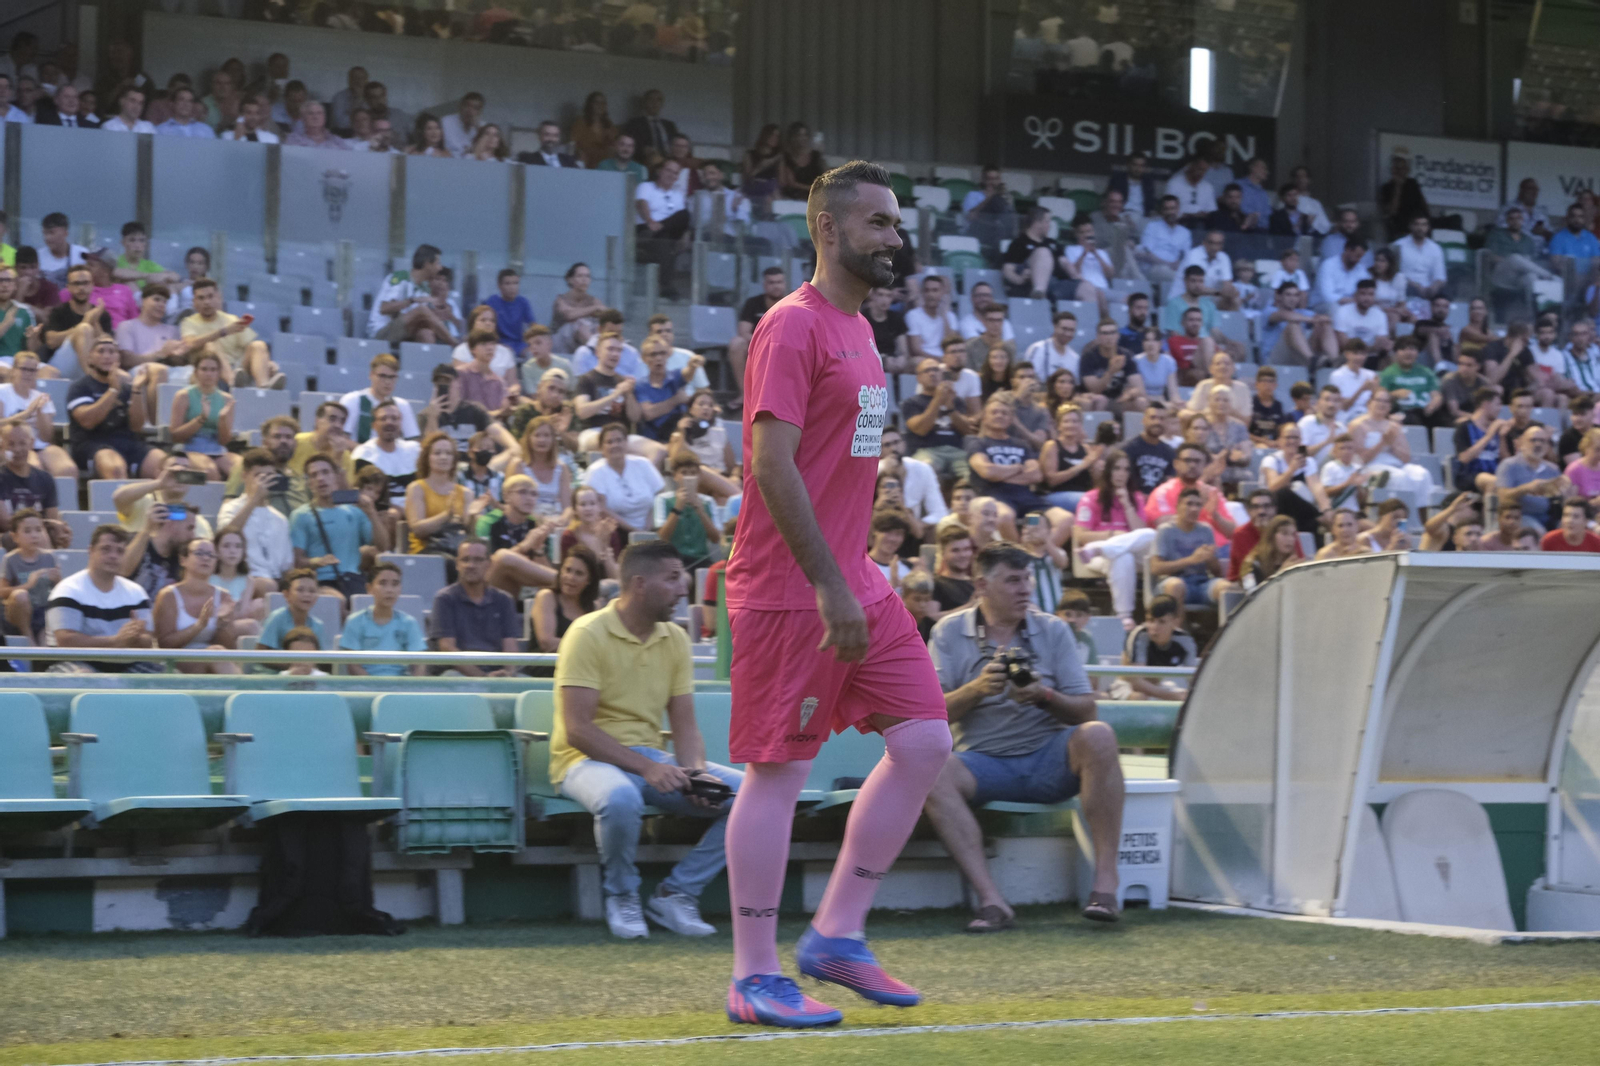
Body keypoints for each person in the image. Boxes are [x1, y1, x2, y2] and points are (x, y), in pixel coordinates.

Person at [721, 163, 952, 1028]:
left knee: (925, 742)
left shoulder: (860, 331)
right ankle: (753, 976)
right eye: (882, 225)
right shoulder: (792, 327)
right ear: (828, 229)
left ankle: (836, 938)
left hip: (853, 578)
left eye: (898, 225)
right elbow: (770, 466)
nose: (898, 239)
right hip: (793, 589)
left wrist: (850, 576)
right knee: (777, 774)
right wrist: (827, 583)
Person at [923, 542, 1119, 931]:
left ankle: (1106, 886)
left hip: (1047, 757)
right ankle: (992, 901)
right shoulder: (947, 632)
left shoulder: (1053, 628)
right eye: (1013, 580)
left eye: (1027, 578)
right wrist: (978, 688)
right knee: (931, 768)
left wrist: (1044, 695)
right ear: (981, 585)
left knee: (1098, 735)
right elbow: (931, 714)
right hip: (982, 761)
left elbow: (1086, 709)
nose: (1025, 589)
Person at [552, 538, 741, 939]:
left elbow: (685, 726)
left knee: (752, 796)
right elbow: (579, 730)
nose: (682, 589)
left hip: (650, 759)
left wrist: (695, 773)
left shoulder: (674, 639)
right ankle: (622, 895)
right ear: (639, 583)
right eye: (672, 579)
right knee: (620, 798)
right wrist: (649, 768)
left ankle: (676, 894)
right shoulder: (586, 633)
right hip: (582, 762)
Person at [44, 525, 156, 673]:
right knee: (86, 679)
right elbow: (65, 641)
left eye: (120, 551)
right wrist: (116, 641)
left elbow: (147, 640)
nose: (113, 556)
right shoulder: (68, 590)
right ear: (90, 551)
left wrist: (134, 637)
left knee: (171, 680)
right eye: (106, 549)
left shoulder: (136, 593)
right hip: (75, 662)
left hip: (125, 664)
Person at [1073, 449, 1155, 628]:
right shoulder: (1090, 498)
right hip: (1096, 554)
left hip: (1125, 550)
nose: (1121, 474)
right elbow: (1080, 536)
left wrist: (1127, 505)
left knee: (1151, 534)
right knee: (1122, 556)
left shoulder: (1136, 498)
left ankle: (1107, 548)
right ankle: (1124, 617)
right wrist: (1112, 535)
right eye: (1117, 468)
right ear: (1108, 471)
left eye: (1126, 469)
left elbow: (1140, 531)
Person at [290, 453, 390, 597]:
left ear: (336, 476)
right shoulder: (301, 515)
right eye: (314, 475)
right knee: (339, 601)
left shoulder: (354, 512)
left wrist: (372, 512)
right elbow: (296, 560)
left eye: (325, 472)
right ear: (309, 483)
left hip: (353, 580)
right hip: (320, 581)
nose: (320, 478)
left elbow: (383, 546)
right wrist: (317, 561)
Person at [67, 336, 164, 479]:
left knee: (167, 467)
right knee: (115, 469)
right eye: (101, 351)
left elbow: (137, 426)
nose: (107, 356)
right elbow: (87, 421)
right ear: (90, 359)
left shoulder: (127, 388)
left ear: (118, 360)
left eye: (112, 352)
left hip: (128, 443)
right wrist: (113, 390)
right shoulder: (80, 387)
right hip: (92, 444)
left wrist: (136, 389)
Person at [430, 538, 520, 676]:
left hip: (496, 673)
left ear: (488, 564)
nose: (470, 565)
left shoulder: (504, 600)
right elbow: (447, 648)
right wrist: (483, 678)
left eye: (478, 560)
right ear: (457, 564)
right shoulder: (444, 599)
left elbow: (510, 646)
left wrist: (508, 674)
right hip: (459, 673)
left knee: (529, 685)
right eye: (465, 559)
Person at [151, 539, 241, 675]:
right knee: (215, 653)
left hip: (213, 660)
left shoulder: (223, 596)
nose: (206, 558)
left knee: (217, 652)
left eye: (211, 555)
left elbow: (230, 649)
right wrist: (198, 626)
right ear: (183, 560)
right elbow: (164, 644)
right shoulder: (168, 595)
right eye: (199, 553)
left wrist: (221, 624)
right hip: (175, 662)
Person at [337, 561, 427, 677]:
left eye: (395, 584)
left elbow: (419, 664)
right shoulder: (355, 621)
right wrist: (375, 687)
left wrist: (412, 689)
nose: (389, 590)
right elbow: (353, 666)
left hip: (400, 686)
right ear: (369, 588)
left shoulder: (409, 623)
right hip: (365, 687)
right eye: (382, 583)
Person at [1151, 487, 1226, 615]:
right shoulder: (1166, 530)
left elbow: (1218, 572)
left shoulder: (1206, 530)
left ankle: (1228, 632)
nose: (1194, 509)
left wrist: (1211, 559)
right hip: (1172, 581)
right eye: (1189, 504)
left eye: (1198, 505)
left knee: (1227, 588)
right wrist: (1191, 560)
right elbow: (1156, 568)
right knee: (1176, 586)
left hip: (1202, 583)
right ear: (1178, 506)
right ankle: (1177, 632)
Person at [1112, 595, 1196, 700]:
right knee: (1139, 698)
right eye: (1150, 620)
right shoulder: (1139, 635)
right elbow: (1137, 683)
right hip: (1126, 686)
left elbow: (1194, 680)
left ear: (1175, 622)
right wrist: (1174, 696)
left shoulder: (1185, 641)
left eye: (1162, 622)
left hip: (1159, 687)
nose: (1154, 627)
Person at [585, 422, 664, 531]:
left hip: (651, 525)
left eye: (619, 440)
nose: (615, 445)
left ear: (626, 443)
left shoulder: (643, 463)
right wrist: (633, 531)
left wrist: (649, 524)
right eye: (609, 442)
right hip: (616, 530)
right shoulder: (595, 472)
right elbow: (602, 509)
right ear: (601, 448)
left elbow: (660, 495)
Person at [405, 432, 469, 556]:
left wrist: (473, 517)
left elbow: (469, 530)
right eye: (437, 453)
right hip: (427, 551)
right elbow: (417, 529)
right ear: (427, 458)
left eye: (448, 453)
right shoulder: (417, 488)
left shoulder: (466, 493)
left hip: (457, 550)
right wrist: (446, 515)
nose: (443, 457)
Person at [529, 543, 600, 653]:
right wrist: (588, 648)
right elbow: (547, 643)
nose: (571, 577)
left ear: (589, 580)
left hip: (580, 669)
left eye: (579, 573)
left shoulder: (594, 608)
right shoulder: (547, 597)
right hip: (545, 667)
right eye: (567, 570)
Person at [655, 454, 722, 571]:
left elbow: (716, 539)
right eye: (684, 473)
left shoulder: (708, 501)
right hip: (673, 560)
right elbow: (662, 537)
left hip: (701, 559)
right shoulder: (663, 499)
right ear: (675, 476)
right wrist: (677, 508)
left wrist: (700, 510)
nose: (689, 476)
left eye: (693, 473)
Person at [1496, 423, 1567, 530]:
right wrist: (1526, 489)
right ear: (1521, 443)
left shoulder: (1553, 469)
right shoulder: (1509, 465)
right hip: (1521, 517)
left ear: (1547, 445)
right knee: (1538, 533)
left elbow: (1561, 498)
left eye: (1542, 441)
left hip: (1550, 517)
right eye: (1533, 440)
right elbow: (1502, 497)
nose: (1538, 444)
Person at [1, 508, 56, 643]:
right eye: (27, 531)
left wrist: (58, 580)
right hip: (20, 615)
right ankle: (28, 637)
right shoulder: (10, 559)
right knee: (21, 595)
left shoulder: (49, 557)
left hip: (43, 614)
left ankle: (42, 653)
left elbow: (58, 590)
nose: (34, 535)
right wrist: (28, 585)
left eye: (38, 530)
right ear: (15, 537)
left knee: (45, 641)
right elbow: (2, 591)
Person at [342, 353, 420, 443]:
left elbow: (413, 441)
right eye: (382, 376)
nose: (387, 382)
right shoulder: (353, 400)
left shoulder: (402, 405)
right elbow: (342, 439)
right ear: (371, 375)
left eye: (392, 377)